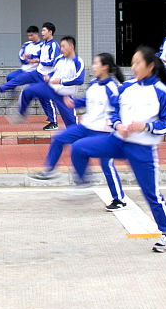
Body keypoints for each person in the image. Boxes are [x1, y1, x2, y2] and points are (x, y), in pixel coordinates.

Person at [70, 46, 166, 252]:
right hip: (117, 142)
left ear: (150, 66)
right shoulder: (126, 87)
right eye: (132, 63)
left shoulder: (161, 91)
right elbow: (113, 111)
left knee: (151, 194)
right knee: (78, 148)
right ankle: (83, 182)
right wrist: (117, 124)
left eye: (138, 63)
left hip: (142, 149)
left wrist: (147, 126)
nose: (134, 67)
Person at [29, 52, 126, 209]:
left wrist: (118, 126)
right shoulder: (94, 83)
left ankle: (119, 199)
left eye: (96, 64)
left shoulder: (112, 88)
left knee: (106, 164)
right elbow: (87, 101)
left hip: (103, 132)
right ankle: (53, 172)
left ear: (105, 67)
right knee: (60, 138)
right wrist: (74, 103)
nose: (93, 66)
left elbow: (117, 109)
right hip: (85, 127)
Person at [13, 35, 84, 128]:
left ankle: (75, 133)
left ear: (71, 47)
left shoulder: (78, 61)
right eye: (61, 46)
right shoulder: (59, 59)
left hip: (65, 96)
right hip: (50, 89)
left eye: (63, 46)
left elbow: (79, 79)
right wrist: (48, 76)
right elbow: (54, 71)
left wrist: (61, 81)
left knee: (71, 125)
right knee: (27, 91)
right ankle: (21, 114)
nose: (61, 49)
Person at [0, 25, 42, 98]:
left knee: (17, 80)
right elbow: (21, 55)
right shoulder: (27, 44)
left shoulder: (42, 46)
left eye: (31, 35)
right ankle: (13, 93)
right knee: (10, 77)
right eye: (28, 36)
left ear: (36, 34)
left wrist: (32, 58)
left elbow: (42, 57)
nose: (30, 38)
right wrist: (27, 60)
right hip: (24, 69)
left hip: (33, 72)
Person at [28, 22, 62, 129]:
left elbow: (54, 61)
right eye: (42, 30)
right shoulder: (44, 44)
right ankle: (50, 116)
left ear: (50, 32)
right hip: (40, 74)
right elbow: (39, 54)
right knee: (41, 96)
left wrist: (42, 62)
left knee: (48, 97)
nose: (42, 33)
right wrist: (30, 56)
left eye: (44, 30)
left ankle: (54, 123)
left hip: (48, 76)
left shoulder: (54, 45)